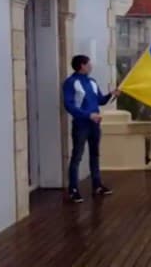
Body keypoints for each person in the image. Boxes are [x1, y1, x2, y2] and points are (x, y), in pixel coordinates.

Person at [62, 54, 120, 203]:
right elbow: (69, 105)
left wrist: (111, 94)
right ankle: (73, 190)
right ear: (82, 65)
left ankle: (97, 185)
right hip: (81, 125)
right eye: (88, 64)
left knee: (95, 155)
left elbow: (100, 100)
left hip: (95, 125)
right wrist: (88, 115)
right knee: (77, 156)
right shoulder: (71, 82)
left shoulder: (92, 82)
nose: (91, 66)